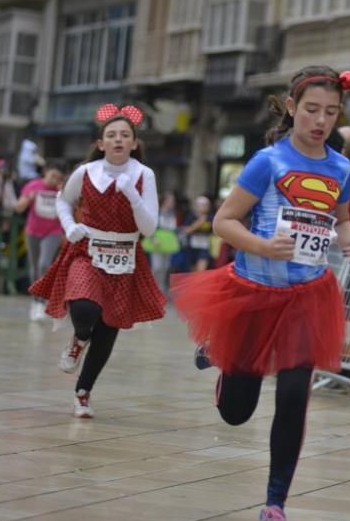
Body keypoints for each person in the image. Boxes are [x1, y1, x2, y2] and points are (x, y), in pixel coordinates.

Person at [170, 66, 350, 521]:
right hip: (254, 293)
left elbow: (338, 221)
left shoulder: (340, 168)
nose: (321, 121)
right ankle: (221, 356)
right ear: (293, 108)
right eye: (313, 110)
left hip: (307, 296)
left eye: (331, 112)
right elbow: (223, 221)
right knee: (237, 412)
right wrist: (262, 245)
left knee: (296, 393)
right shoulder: (267, 162)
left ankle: (275, 506)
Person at [29, 104, 166, 419]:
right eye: (111, 135)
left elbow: (149, 227)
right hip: (87, 250)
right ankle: (79, 338)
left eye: (125, 135)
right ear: (101, 143)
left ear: (134, 143)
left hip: (126, 257)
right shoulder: (85, 172)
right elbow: (64, 201)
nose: (118, 140)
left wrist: (132, 195)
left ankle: (83, 392)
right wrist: (69, 226)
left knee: (108, 330)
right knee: (84, 308)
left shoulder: (145, 175)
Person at [15, 162, 66, 320]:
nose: (54, 180)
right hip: (33, 230)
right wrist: (30, 198)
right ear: (45, 173)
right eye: (52, 176)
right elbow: (18, 207)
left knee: (44, 263)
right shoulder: (33, 186)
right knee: (34, 265)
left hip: (54, 231)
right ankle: (35, 300)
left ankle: (41, 301)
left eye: (58, 178)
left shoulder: (62, 191)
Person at [181, 196, 215, 272]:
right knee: (192, 271)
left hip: (204, 247)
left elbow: (215, 231)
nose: (204, 207)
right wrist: (198, 223)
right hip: (191, 247)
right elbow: (186, 231)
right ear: (197, 206)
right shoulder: (191, 216)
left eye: (206, 205)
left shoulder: (211, 217)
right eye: (202, 204)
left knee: (201, 270)